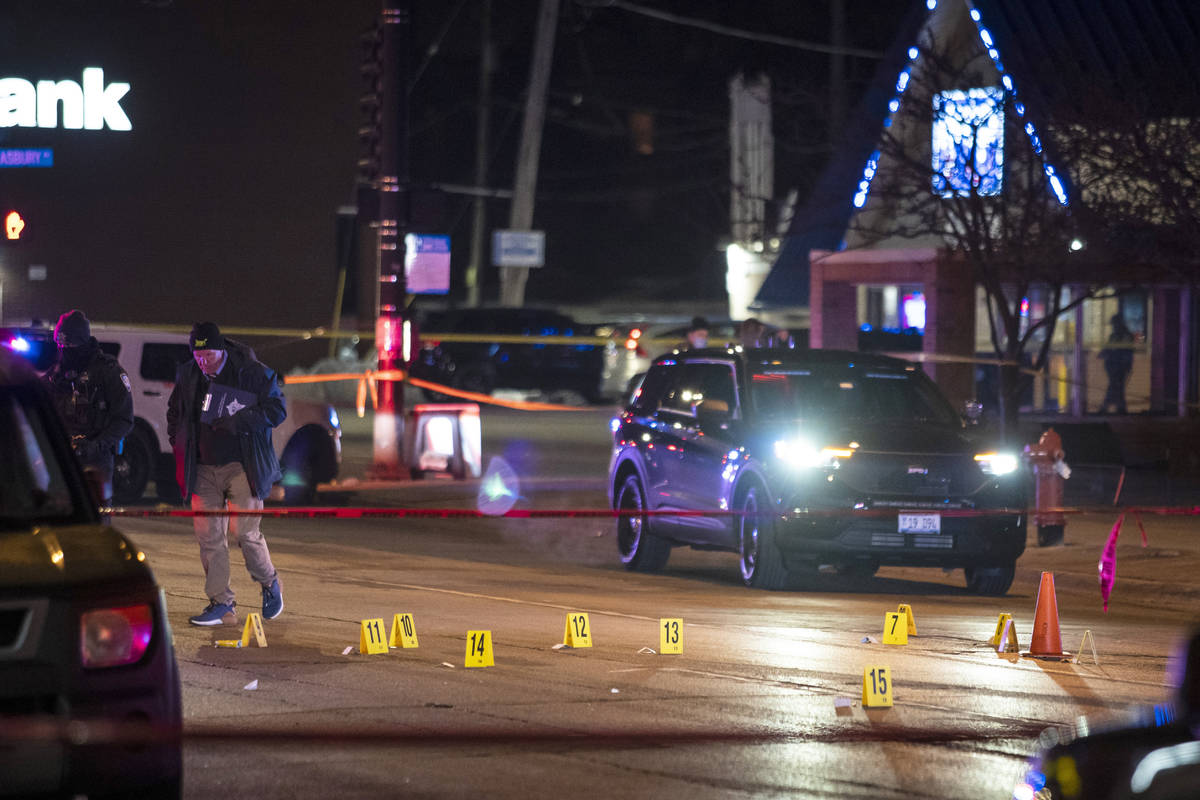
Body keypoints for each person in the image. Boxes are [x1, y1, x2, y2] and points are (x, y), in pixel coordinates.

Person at [168, 322, 287, 626]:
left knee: (245, 532)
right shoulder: (189, 374)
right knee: (209, 537)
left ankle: (269, 583)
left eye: (208, 355)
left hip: (241, 465)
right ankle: (221, 602)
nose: (202, 361)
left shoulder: (250, 371)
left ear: (220, 350)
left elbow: (277, 410)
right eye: (197, 355)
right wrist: (178, 442)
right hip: (203, 467)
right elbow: (175, 412)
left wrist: (240, 420)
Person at [42, 310, 134, 509]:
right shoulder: (55, 374)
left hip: (96, 460)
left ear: (83, 342)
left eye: (70, 344)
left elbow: (124, 420)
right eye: (61, 344)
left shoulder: (107, 372)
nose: (65, 350)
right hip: (61, 458)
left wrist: (95, 445)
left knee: (94, 521)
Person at [1098, 314, 1134, 414]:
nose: (1114, 327)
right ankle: (1120, 408)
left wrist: (1127, 364)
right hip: (1113, 366)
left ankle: (1106, 407)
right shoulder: (1114, 336)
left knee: (1115, 386)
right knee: (1117, 387)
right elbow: (1108, 348)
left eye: (1115, 324)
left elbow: (1126, 351)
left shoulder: (1125, 336)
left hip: (1120, 366)